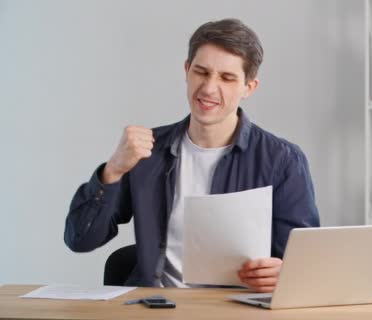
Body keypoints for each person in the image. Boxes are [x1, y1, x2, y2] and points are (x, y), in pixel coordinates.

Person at [63, 18, 320, 292]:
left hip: (235, 311)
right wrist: (112, 170)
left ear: (249, 87)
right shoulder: (147, 151)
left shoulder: (282, 160)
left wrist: (286, 272)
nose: (209, 88)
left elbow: (305, 266)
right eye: (201, 72)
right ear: (187, 70)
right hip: (154, 308)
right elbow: (81, 239)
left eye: (227, 77)